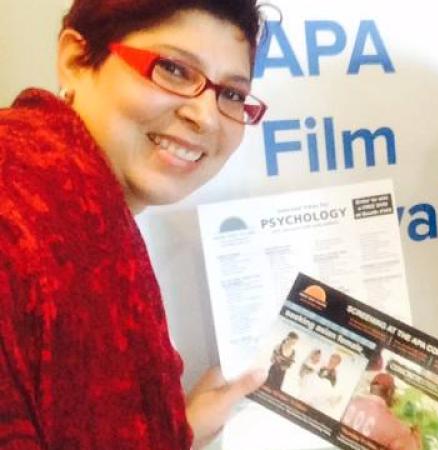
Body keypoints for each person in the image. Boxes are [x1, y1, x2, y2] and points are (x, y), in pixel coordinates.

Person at [0, 1, 271, 448]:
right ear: (75, 61)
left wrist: (171, 429)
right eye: (174, 70)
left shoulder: (70, 197)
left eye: (232, 95)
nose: (204, 116)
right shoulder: (31, 214)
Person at [342, 373, 422, 450]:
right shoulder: (399, 431)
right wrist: (415, 441)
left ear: (371, 388)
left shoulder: (347, 403)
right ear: (389, 392)